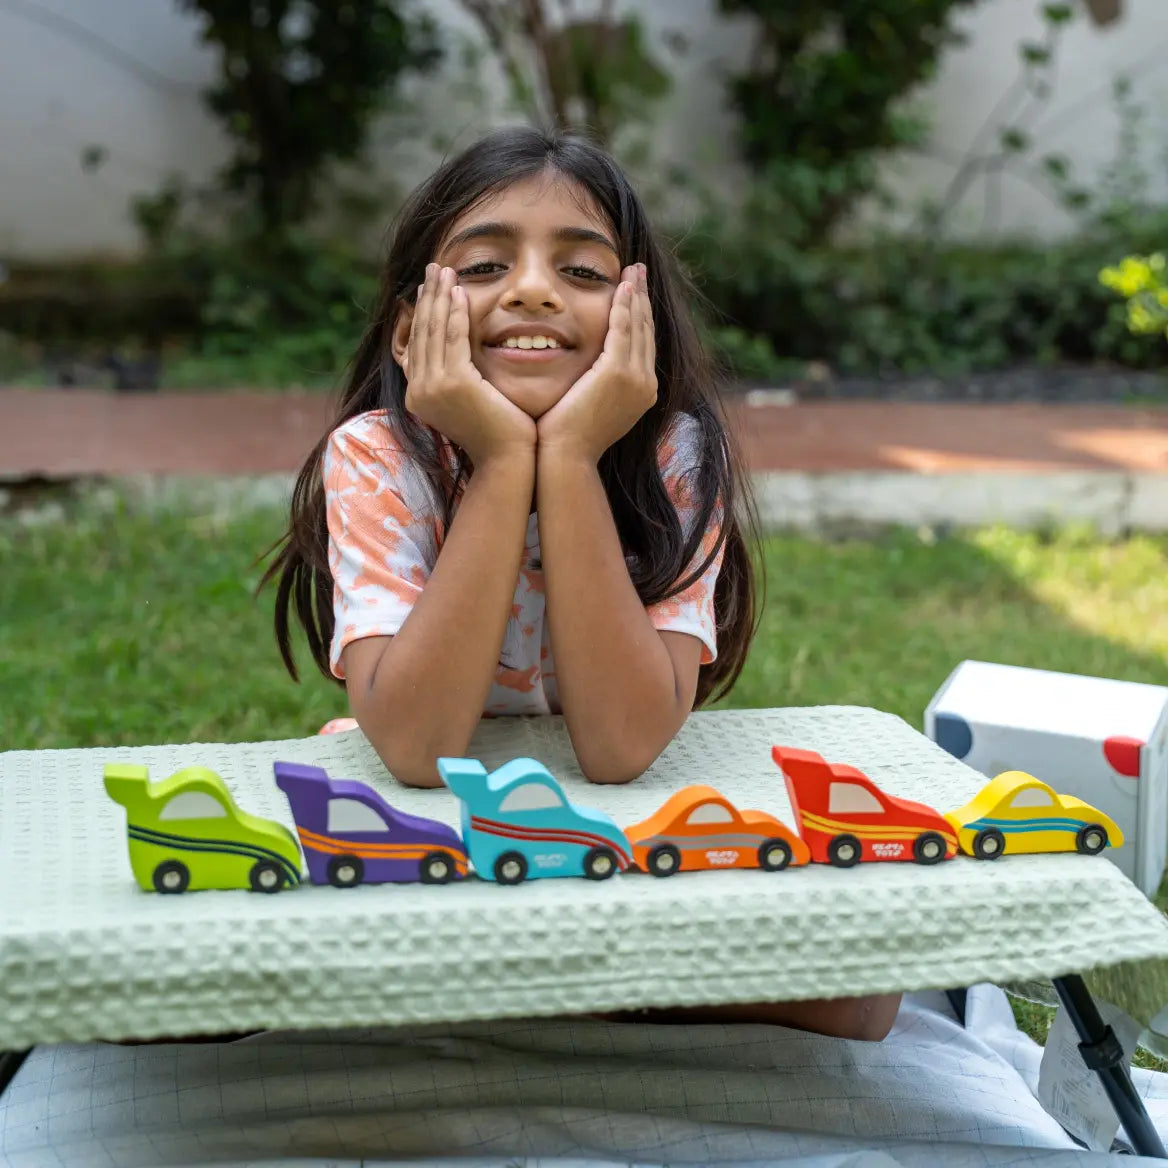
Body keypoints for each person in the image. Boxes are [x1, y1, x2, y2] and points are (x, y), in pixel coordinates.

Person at [262, 125, 900, 1040]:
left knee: (860, 1000)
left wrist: (565, 453)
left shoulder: (676, 456)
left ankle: (515, 986)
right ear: (410, 332)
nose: (531, 289)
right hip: (428, 816)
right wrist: (496, 460)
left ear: (640, 322)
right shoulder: (376, 457)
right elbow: (415, 750)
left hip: (622, 815)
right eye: (482, 268)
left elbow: (622, 748)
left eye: (585, 273)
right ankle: (583, 985)